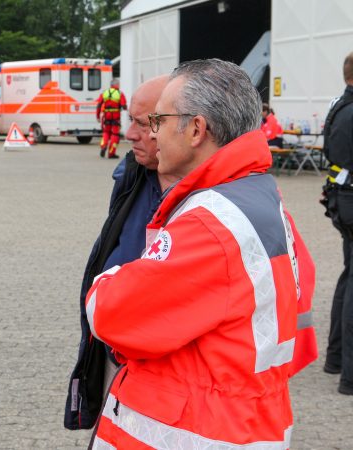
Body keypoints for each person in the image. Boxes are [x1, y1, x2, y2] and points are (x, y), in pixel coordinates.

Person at [85, 59, 309, 448]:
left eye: (158, 122)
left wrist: (109, 278)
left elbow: (111, 312)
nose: (150, 135)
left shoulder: (211, 222)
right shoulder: (260, 198)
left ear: (195, 129)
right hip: (246, 417)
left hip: (194, 430)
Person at [64, 75, 178, 431]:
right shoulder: (133, 176)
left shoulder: (214, 202)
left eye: (143, 124)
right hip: (117, 357)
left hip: (167, 379)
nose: (130, 135)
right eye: (131, 121)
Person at [321, 51, 353, 395]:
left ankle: (336, 358)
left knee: (349, 275)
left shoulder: (339, 107)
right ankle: (349, 374)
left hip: (341, 200)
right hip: (349, 200)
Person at [96, 78, 127, 159]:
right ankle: (111, 153)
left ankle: (103, 146)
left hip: (106, 116)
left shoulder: (104, 93)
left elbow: (99, 105)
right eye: (119, 84)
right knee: (115, 135)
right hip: (116, 117)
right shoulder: (120, 93)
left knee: (106, 132)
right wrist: (124, 107)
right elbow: (124, 106)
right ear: (116, 85)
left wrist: (97, 116)